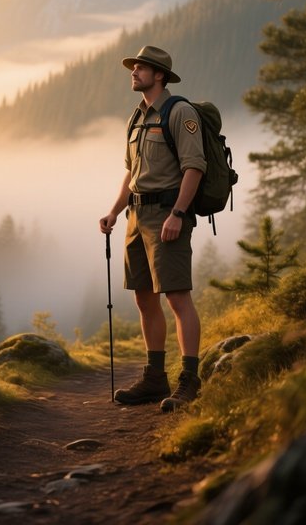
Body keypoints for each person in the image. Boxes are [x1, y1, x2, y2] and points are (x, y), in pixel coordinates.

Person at [99, 45, 206, 412]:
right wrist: (115, 211)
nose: (133, 72)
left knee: (177, 297)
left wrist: (178, 213)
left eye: (140, 67)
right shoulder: (138, 116)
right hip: (135, 217)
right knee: (144, 297)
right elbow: (131, 172)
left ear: (158, 74)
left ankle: (190, 381)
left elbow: (195, 167)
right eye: (134, 67)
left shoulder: (180, 113)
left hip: (167, 215)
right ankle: (154, 378)